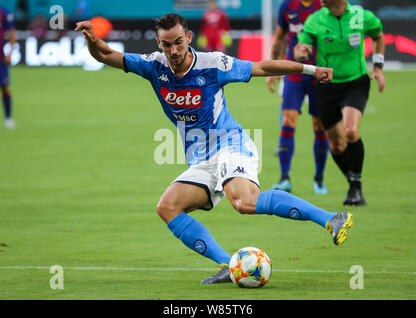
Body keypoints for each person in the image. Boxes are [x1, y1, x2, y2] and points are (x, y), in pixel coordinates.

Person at [76, 13, 353, 285]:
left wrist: (311, 70)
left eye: (178, 42)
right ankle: (228, 265)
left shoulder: (213, 64)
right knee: (168, 207)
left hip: (231, 144)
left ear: (189, 38)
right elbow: (104, 55)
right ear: (158, 43)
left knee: (244, 202)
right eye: (166, 44)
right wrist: (92, 39)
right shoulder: (153, 65)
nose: (173, 50)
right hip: (202, 158)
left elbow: (262, 67)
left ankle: (332, 219)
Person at [295, 0, 385, 206]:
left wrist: (378, 66)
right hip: (327, 86)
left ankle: (356, 186)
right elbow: (303, 45)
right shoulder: (315, 19)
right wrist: (302, 51)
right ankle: (354, 184)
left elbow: (379, 36)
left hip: (356, 82)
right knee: (336, 146)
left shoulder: (361, 16)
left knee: (351, 131)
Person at [266, 0, 329, 194]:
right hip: (294, 73)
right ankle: (284, 178)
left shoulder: (323, 6)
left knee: (319, 124)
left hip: (318, 74)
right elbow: (279, 39)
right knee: (288, 120)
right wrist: (272, 70)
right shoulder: (287, 6)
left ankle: (319, 178)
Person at [0, 7, 16, 129]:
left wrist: (10, 53)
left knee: (5, 88)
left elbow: (12, 33)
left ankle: (8, 118)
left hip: (1, 60)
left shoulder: (4, 13)